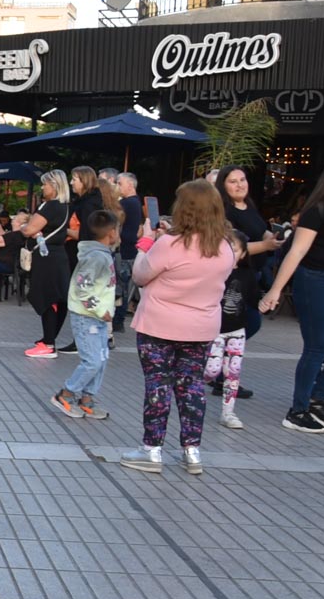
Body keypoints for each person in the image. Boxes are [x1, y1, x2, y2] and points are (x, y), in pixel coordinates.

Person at [121, 180, 234, 474]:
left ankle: (152, 449)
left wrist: (147, 242)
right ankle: (192, 451)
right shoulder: (224, 247)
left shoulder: (169, 244)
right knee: (192, 386)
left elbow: (140, 275)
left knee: (158, 384)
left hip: (159, 325)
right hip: (201, 327)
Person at [259, 147, 324, 433]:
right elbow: (297, 251)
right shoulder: (319, 209)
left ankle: (318, 396)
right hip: (318, 281)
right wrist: (275, 290)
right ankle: (298, 410)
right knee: (318, 346)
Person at [213, 165, 283, 399]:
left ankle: (221, 373)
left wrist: (272, 237)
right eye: (233, 181)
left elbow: (261, 230)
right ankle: (219, 370)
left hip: (253, 274)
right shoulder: (224, 212)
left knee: (242, 324)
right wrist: (266, 245)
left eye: (242, 179)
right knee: (247, 323)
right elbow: (231, 247)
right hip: (235, 277)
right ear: (223, 185)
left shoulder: (249, 206)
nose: (239, 185)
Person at [50, 209, 119, 421]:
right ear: (111, 232)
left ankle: (87, 398)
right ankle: (66, 394)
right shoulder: (96, 258)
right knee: (93, 361)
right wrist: (100, 309)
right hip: (87, 317)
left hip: (97, 317)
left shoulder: (102, 255)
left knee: (101, 359)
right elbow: (82, 288)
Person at [206, 230, 257, 430]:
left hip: (237, 331)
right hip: (215, 330)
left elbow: (253, 300)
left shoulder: (248, 274)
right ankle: (189, 384)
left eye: (234, 250)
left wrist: (266, 303)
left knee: (232, 372)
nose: (229, 253)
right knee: (211, 370)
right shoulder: (214, 272)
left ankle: (228, 412)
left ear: (243, 254)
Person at [23, 169, 73, 358]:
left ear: (54, 185)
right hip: (59, 256)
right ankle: (49, 338)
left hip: (47, 258)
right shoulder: (65, 206)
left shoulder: (50, 206)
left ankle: (49, 343)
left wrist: (24, 227)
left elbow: (29, 230)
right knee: (58, 298)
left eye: (45, 184)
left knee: (47, 297)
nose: (42, 188)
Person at [114, 172, 143, 333]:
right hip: (129, 249)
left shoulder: (127, 203)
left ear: (130, 185)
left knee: (120, 287)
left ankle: (118, 319)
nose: (117, 187)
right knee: (123, 287)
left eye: (120, 183)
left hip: (124, 250)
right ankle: (118, 319)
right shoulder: (135, 202)